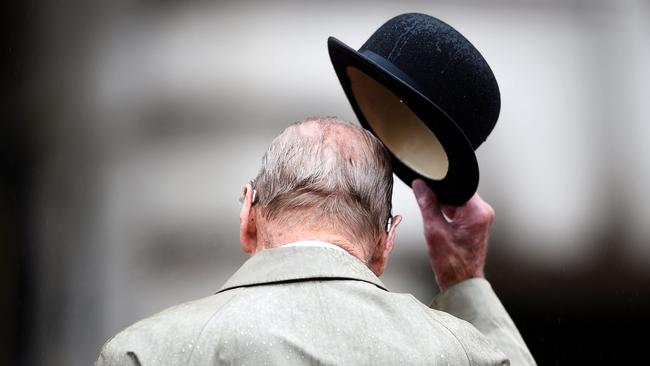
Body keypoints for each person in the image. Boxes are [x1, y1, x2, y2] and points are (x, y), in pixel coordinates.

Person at [96, 117, 536, 365]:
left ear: (249, 213)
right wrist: (465, 279)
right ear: (387, 243)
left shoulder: (145, 352)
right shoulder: (459, 354)